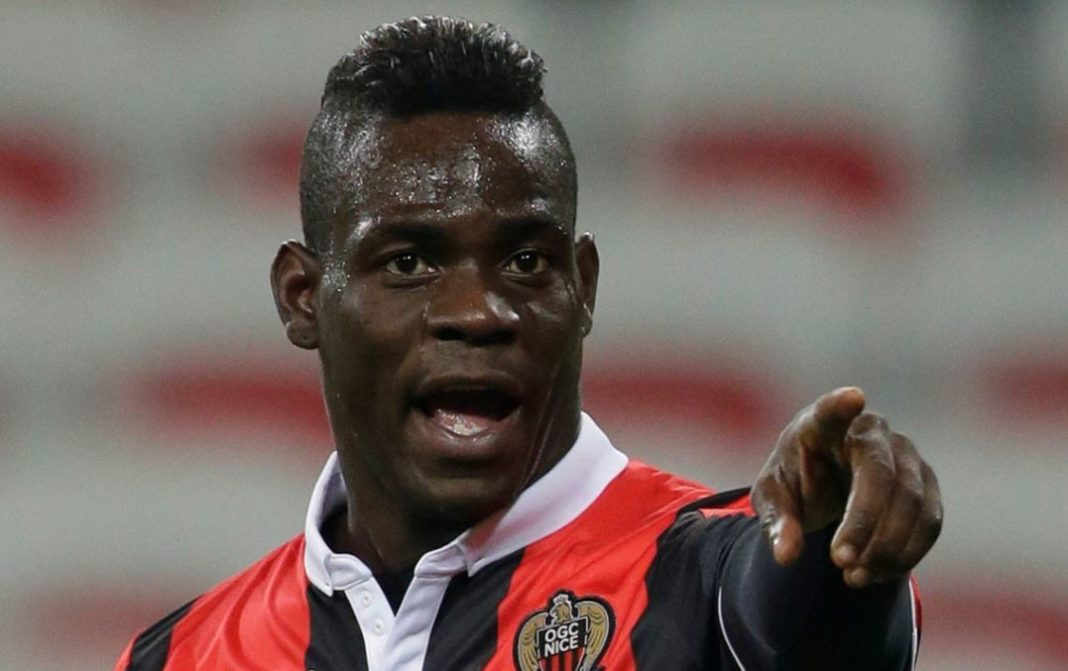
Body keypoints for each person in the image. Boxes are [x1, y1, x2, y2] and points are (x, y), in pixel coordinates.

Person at [115, 16, 942, 671]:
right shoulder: (182, 654)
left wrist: (832, 548)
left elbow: (802, 625)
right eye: (409, 262)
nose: (479, 312)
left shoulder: (696, 573)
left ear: (582, 287)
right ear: (302, 297)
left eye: (524, 261)